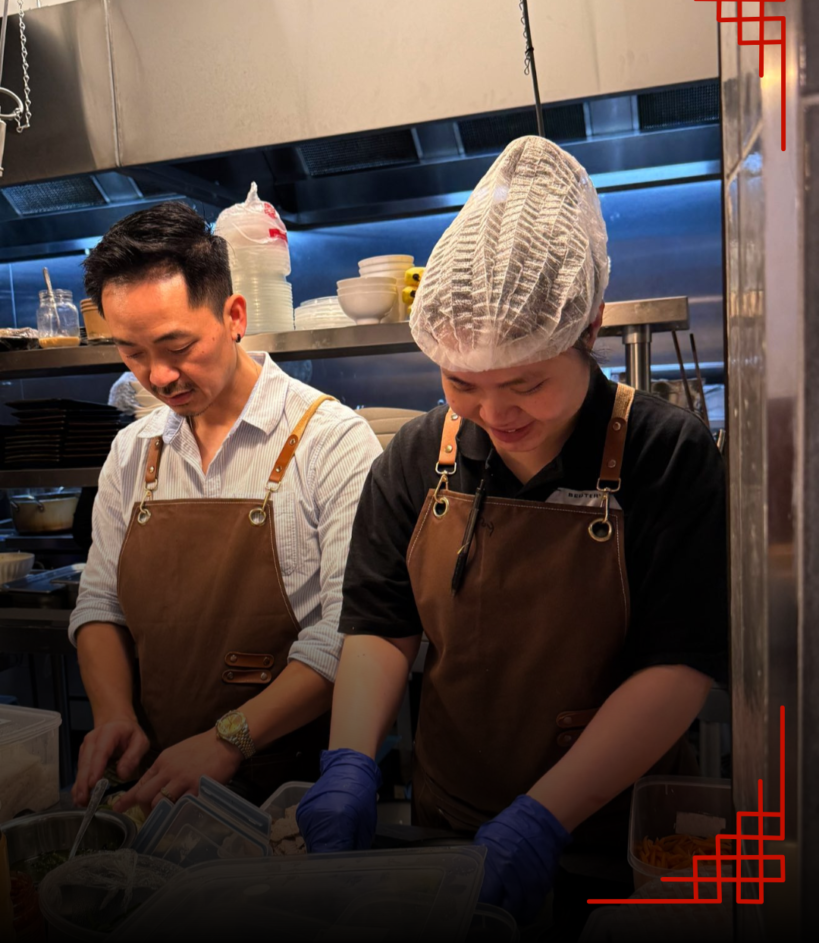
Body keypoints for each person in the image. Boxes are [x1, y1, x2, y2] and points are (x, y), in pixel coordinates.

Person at [296, 137, 728, 926]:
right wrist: (350, 761)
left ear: (588, 327)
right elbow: (380, 624)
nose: (494, 415)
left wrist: (541, 819)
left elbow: (678, 665)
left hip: (614, 828)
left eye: (526, 382)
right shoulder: (417, 454)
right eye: (462, 383)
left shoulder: (665, 451)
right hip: (447, 819)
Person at [69, 201, 382, 811]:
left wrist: (226, 741)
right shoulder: (133, 451)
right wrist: (113, 714)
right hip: (157, 783)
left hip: (290, 789)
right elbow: (100, 603)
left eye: (177, 346)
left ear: (234, 315)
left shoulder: (332, 441)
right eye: (132, 352)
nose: (159, 376)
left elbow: (347, 633)